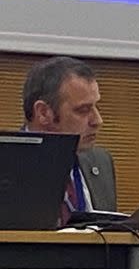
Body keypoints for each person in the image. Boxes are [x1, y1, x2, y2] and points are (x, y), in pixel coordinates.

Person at [22, 56, 117, 214]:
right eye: (83, 110)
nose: (97, 121)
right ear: (44, 113)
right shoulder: (7, 162)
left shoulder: (101, 162)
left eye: (95, 107)